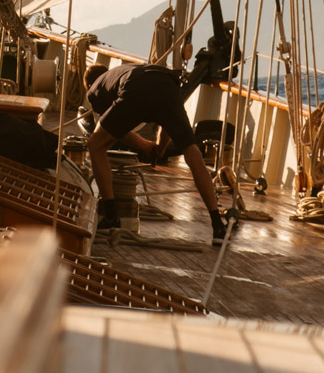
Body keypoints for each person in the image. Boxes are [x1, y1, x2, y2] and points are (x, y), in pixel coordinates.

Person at [83, 61, 228, 245]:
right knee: (192, 152)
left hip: (135, 86)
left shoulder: (94, 90)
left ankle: (112, 216)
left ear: (88, 84)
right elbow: (166, 123)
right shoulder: (122, 70)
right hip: (166, 81)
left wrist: (144, 146)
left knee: (95, 145)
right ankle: (218, 226)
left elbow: (115, 131)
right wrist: (158, 149)